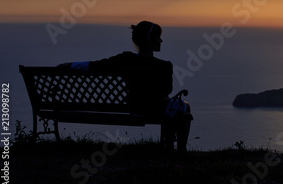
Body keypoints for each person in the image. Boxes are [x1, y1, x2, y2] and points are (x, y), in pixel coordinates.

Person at [59, 20, 192, 152]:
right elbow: (167, 90)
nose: (161, 41)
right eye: (158, 37)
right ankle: (180, 149)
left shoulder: (125, 59)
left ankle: (171, 147)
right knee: (183, 106)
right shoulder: (164, 66)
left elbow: (96, 65)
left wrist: (69, 65)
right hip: (155, 111)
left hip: (134, 109)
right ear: (150, 40)